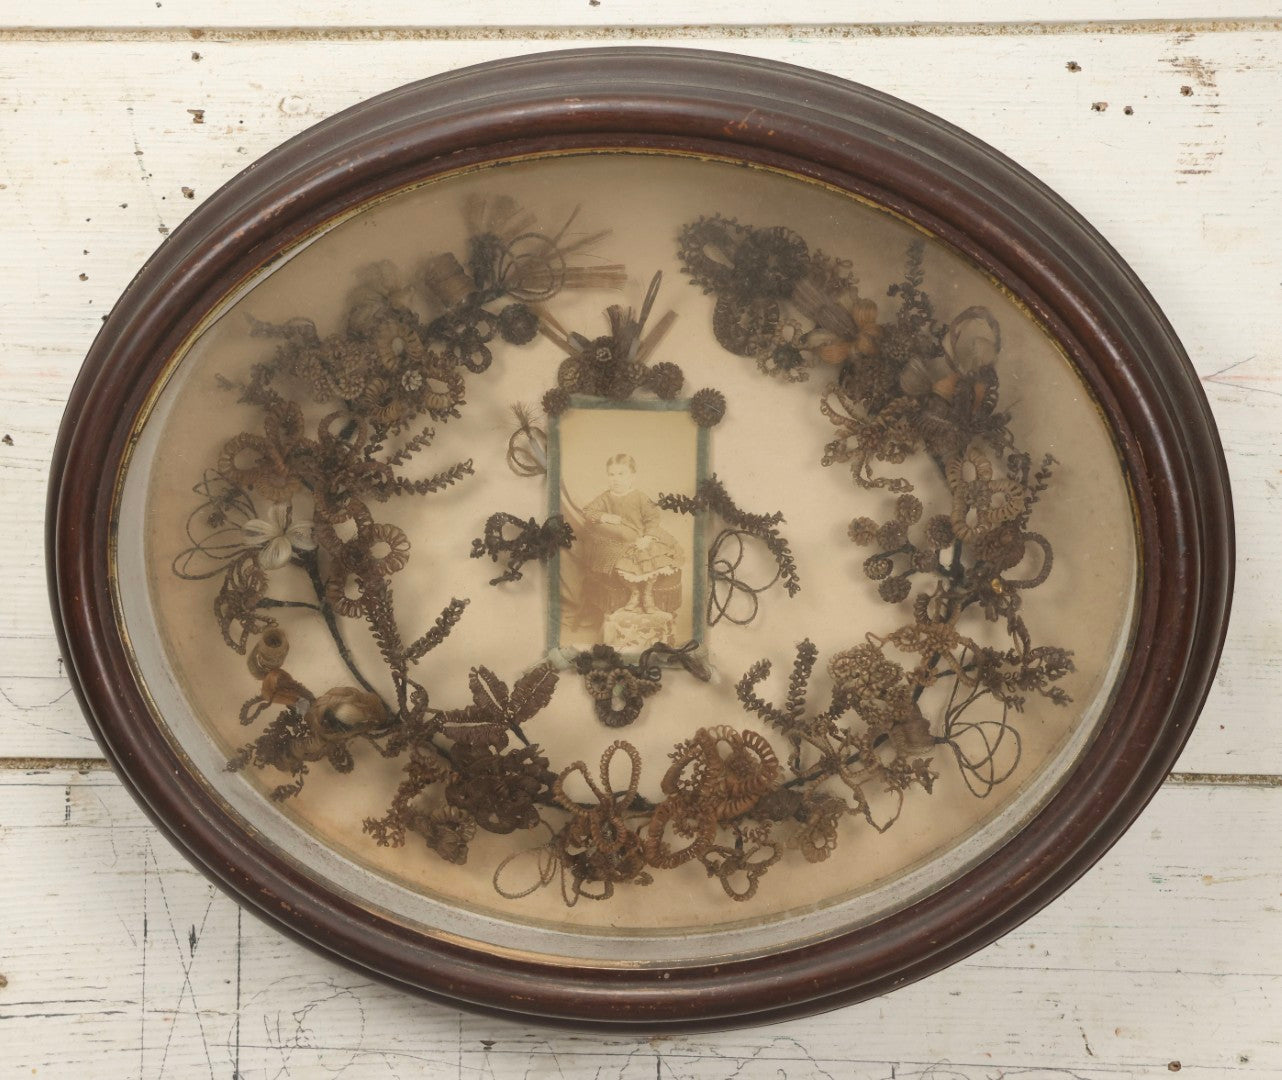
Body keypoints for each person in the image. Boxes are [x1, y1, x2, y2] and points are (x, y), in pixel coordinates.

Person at [581, 453, 682, 614]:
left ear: (632, 476)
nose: (616, 479)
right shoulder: (606, 497)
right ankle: (635, 592)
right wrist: (604, 516)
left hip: (643, 538)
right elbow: (587, 510)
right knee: (618, 563)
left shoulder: (640, 497)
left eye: (621, 474)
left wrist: (647, 538)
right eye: (611, 474)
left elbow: (652, 519)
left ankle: (647, 592)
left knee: (652, 561)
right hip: (621, 544)